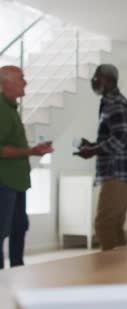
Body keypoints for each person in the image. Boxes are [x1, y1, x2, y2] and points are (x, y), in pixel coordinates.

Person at [75, 64, 127, 250]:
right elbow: (117, 136)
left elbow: (121, 137)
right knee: (113, 226)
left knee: (104, 225)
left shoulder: (114, 102)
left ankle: (111, 273)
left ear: (108, 79)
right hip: (121, 172)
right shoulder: (112, 101)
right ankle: (121, 274)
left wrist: (94, 150)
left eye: (97, 76)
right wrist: (93, 145)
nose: (94, 80)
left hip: (118, 172)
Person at [0, 65, 53, 269]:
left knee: (19, 228)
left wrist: (32, 149)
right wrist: (31, 152)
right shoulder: (2, 109)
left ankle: (17, 270)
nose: (26, 82)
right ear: (6, 84)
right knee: (3, 231)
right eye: (21, 78)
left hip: (17, 182)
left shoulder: (11, 108)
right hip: (5, 183)